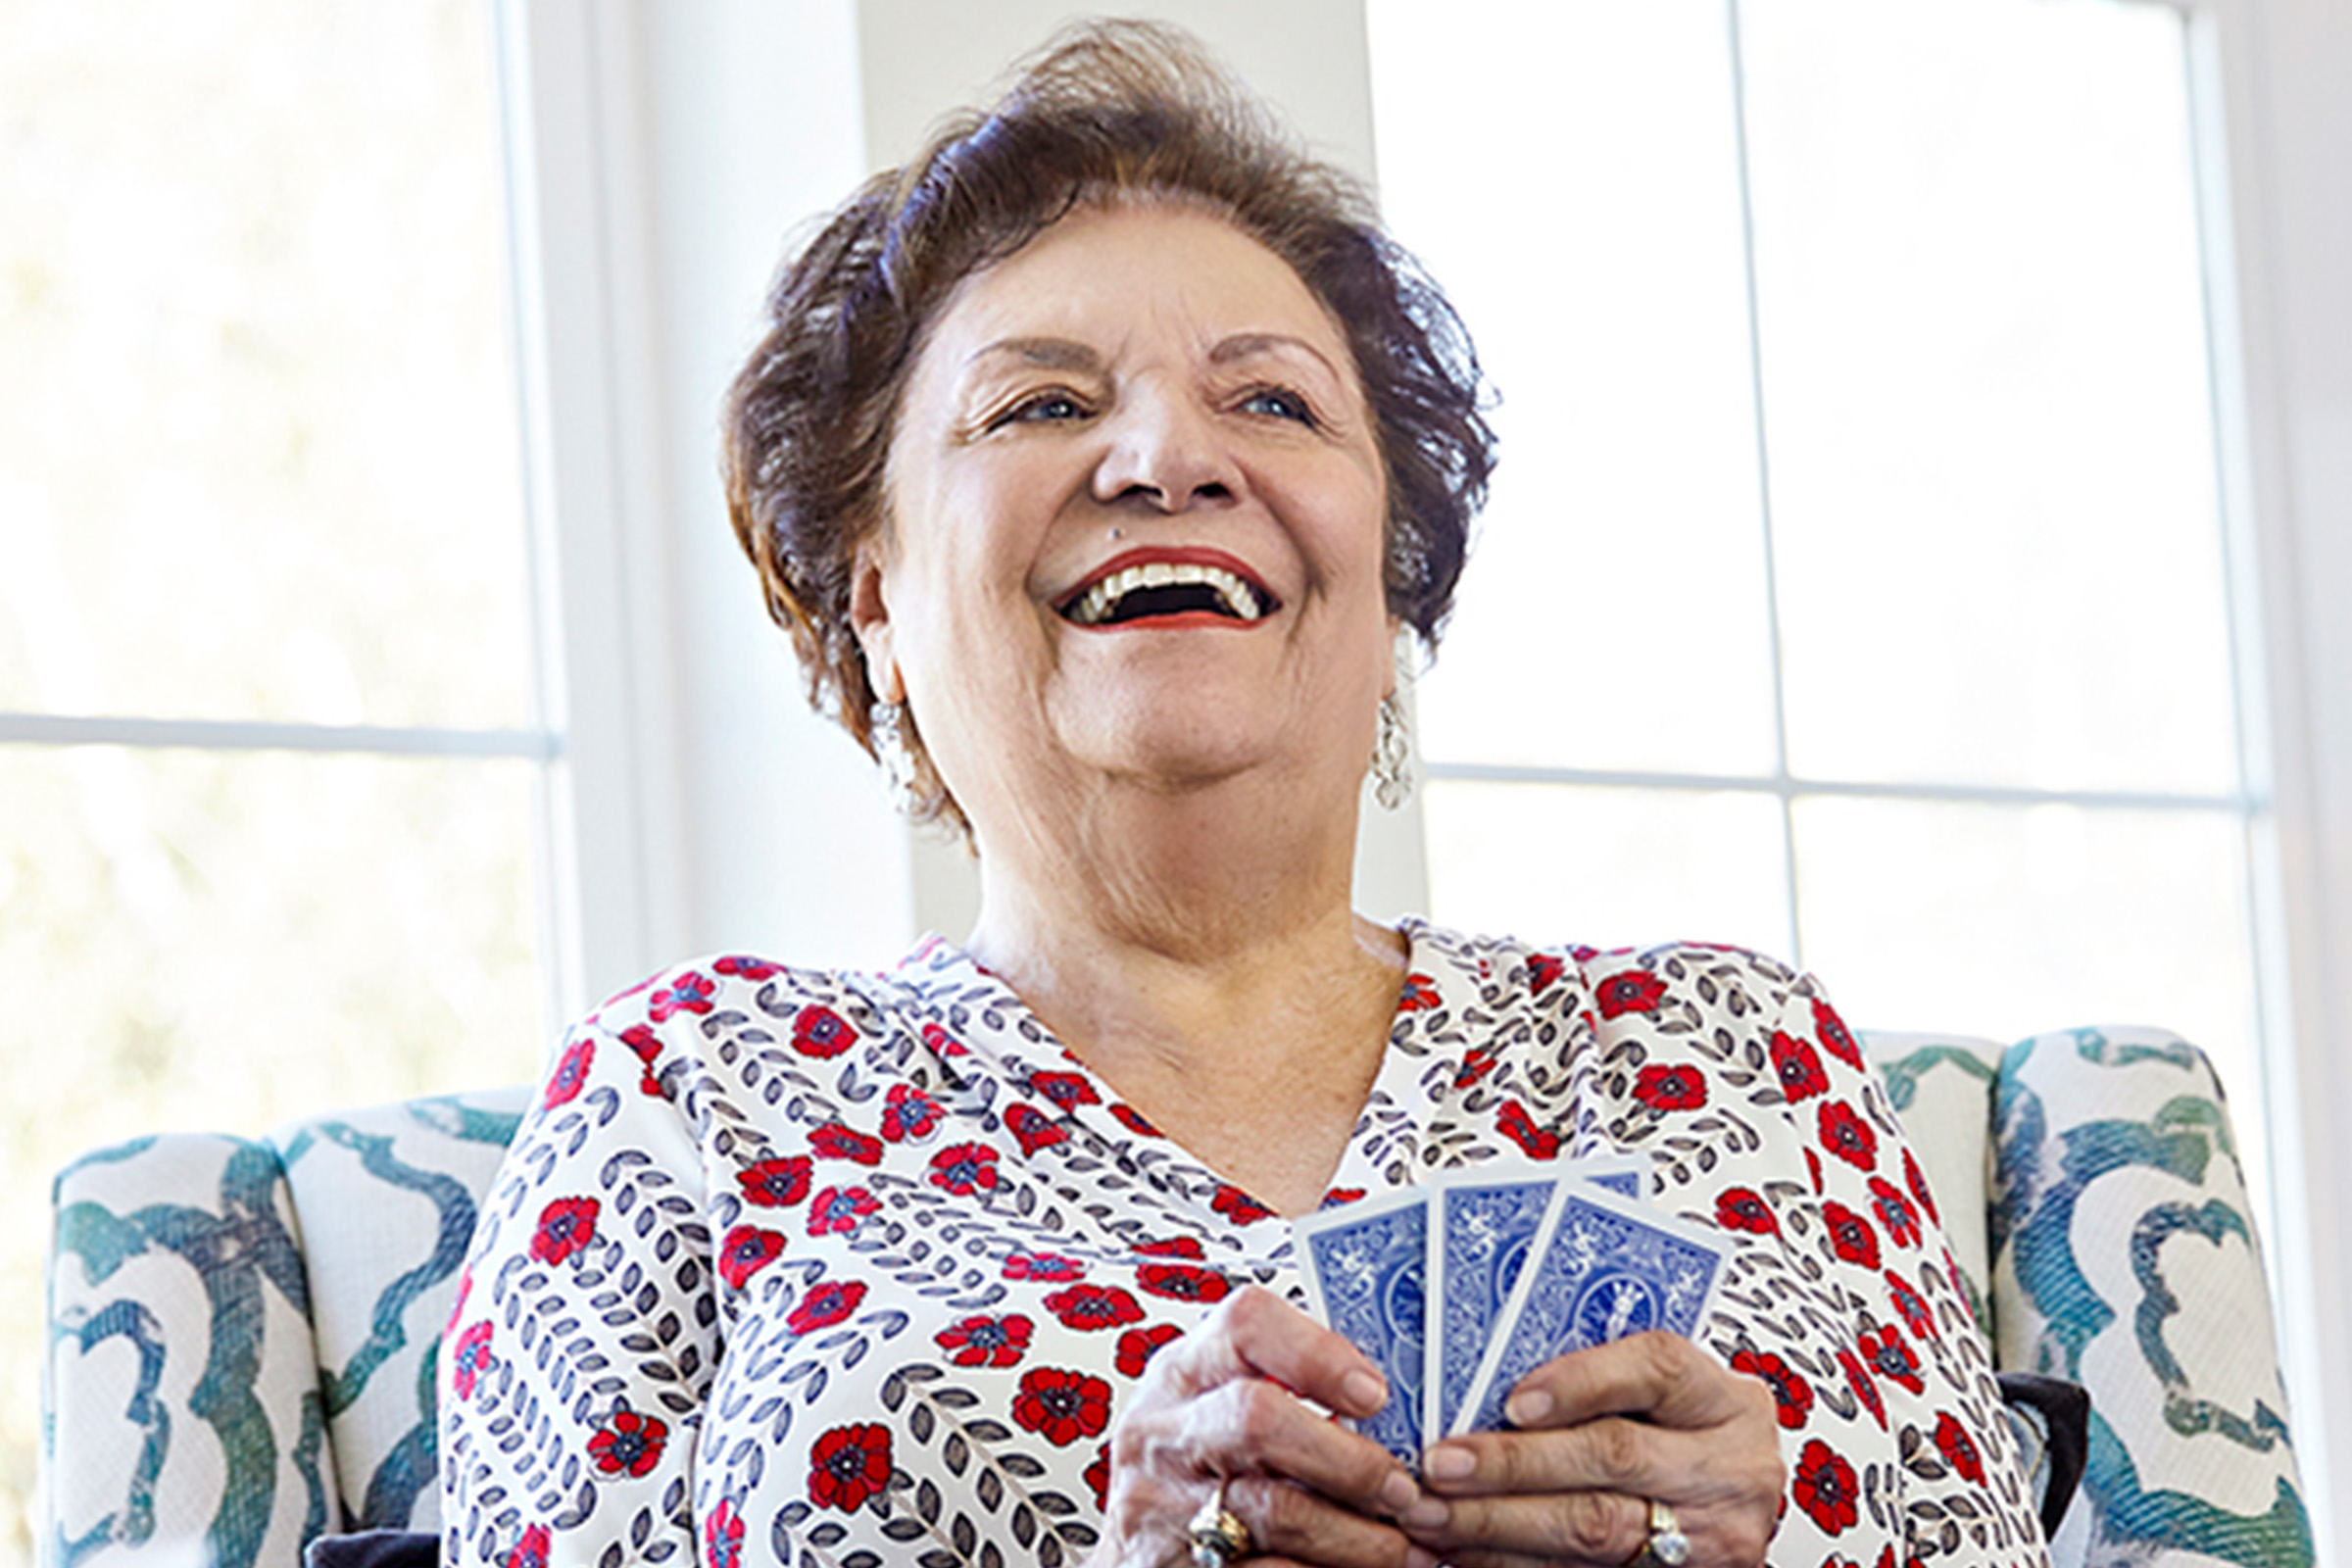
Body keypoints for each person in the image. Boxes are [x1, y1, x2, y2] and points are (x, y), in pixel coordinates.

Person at [439, 23, 2047, 1568]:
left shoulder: (1738, 1056)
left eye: (1272, 402)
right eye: (1044, 405)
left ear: (1386, 576)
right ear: (873, 594)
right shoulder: (694, 1103)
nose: (1166, 459)